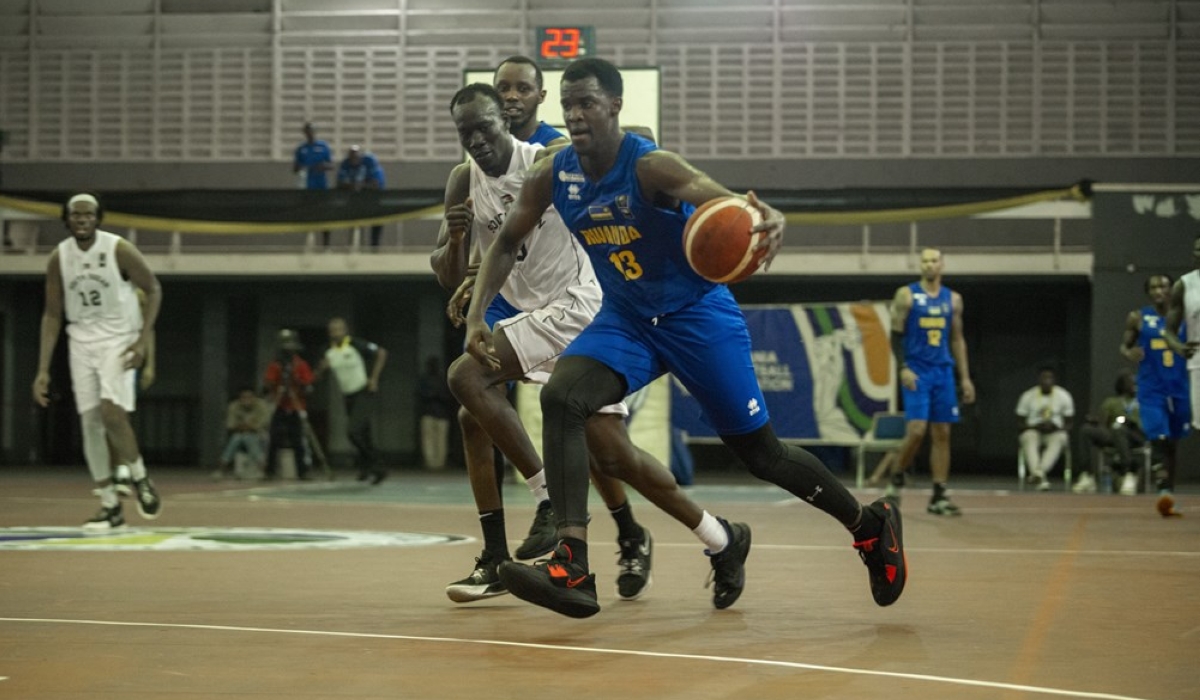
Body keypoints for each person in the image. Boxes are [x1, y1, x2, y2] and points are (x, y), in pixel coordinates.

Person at [463, 58, 906, 619]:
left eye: (587, 103)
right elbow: (505, 243)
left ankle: (868, 526)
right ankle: (572, 561)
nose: (575, 114)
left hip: (696, 315)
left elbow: (721, 201)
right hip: (627, 318)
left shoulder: (651, 166)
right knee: (563, 396)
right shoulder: (552, 174)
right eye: (569, 104)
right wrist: (477, 316)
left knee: (761, 454)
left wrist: (762, 214)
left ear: (615, 107)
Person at [435, 83, 745, 608]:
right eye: (466, 132)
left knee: (468, 380)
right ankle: (719, 537)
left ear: (508, 117)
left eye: (485, 126)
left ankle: (549, 503)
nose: (477, 139)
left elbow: (638, 137)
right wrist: (462, 249)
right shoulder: (463, 179)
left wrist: (618, 145)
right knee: (610, 452)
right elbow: (448, 270)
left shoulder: (548, 156)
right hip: (533, 312)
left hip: (579, 306)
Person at [32, 192, 163, 530]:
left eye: (88, 214)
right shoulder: (59, 257)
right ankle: (109, 506)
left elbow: (153, 289)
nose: (82, 219)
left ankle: (140, 476)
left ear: (98, 218)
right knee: (90, 421)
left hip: (118, 338)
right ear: (66, 219)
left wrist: (141, 340)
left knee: (111, 412)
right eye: (76, 214)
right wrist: (43, 369)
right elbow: (52, 314)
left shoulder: (118, 248)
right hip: (81, 339)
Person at [883, 248, 975, 515]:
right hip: (917, 370)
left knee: (942, 432)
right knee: (916, 430)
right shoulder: (907, 295)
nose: (929, 265)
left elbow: (957, 338)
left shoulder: (953, 299)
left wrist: (965, 378)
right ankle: (896, 476)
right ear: (920, 265)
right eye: (924, 261)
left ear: (942, 265)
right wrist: (902, 367)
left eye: (934, 261)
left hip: (942, 371)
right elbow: (895, 335)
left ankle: (939, 494)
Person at [1127, 274, 1188, 515]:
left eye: (1163, 286)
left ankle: (1168, 493)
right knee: (1158, 436)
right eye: (1153, 287)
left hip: (1180, 386)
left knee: (1172, 442)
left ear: (1173, 289)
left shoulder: (1187, 317)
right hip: (1151, 388)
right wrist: (1129, 352)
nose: (1158, 291)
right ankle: (1162, 487)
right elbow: (1125, 346)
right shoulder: (1138, 317)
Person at [315, 317, 389, 484]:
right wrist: (321, 369)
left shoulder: (356, 344)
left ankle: (378, 466)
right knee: (363, 433)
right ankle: (366, 468)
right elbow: (319, 372)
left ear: (345, 330)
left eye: (339, 329)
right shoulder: (328, 350)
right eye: (333, 330)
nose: (336, 333)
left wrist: (374, 379)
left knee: (353, 431)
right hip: (347, 395)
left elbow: (381, 353)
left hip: (363, 392)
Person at [1077, 371, 1144, 495]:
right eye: (1130, 381)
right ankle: (1087, 475)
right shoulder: (1111, 402)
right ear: (1121, 384)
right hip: (1115, 434)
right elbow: (1103, 423)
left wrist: (1127, 422)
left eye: (1136, 382)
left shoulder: (1142, 402)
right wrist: (1096, 421)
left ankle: (1128, 473)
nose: (1134, 384)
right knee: (1086, 430)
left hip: (1136, 435)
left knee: (1119, 428)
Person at [263, 329, 315, 480]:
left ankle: (302, 471)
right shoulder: (275, 365)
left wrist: (299, 383)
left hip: (296, 405)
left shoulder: (301, 365)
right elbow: (268, 383)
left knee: (297, 439)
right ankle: (269, 471)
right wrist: (276, 385)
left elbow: (309, 385)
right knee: (274, 438)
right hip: (280, 404)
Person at [1016, 365, 1075, 491]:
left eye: (1050, 378)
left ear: (1054, 380)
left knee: (1061, 438)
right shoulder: (1028, 395)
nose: (1047, 381)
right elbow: (1019, 423)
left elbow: (1069, 423)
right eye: (1044, 378)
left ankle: (1038, 473)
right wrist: (1034, 426)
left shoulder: (1064, 395)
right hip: (1034, 430)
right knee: (1028, 436)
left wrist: (1056, 427)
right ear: (1038, 379)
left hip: (1055, 432)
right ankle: (1039, 475)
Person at [211, 387, 270, 480]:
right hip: (240, 433)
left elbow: (264, 423)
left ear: (254, 398)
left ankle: (261, 469)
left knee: (249, 438)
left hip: (260, 434)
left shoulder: (261, 405)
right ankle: (221, 469)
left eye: (249, 397)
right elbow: (230, 424)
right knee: (236, 439)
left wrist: (251, 427)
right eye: (244, 397)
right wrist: (243, 427)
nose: (246, 400)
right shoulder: (234, 406)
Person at [336, 144, 386, 248]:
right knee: (354, 220)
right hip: (355, 200)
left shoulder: (369, 161)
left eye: (355, 155)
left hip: (372, 199)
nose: (354, 158)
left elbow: (376, 184)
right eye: (351, 156)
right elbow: (340, 182)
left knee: (378, 219)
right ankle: (353, 245)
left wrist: (361, 185)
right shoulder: (346, 164)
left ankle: (374, 246)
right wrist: (353, 186)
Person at [293, 122, 334, 246]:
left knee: (325, 215)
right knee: (309, 214)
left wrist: (323, 166)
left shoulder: (323, 146)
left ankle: (326, 245)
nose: (309, 133)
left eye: (311, 131)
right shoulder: (301, 149)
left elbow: (331, 165)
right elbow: (295, 168)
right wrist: (301, 168)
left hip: (321, 186)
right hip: (307, 187)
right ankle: (309, 242)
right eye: (307, 131)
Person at [417, 357, 454, 470]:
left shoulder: (424, 380)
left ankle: (432, 463)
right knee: (440, 440)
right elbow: (448, 396)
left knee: (430, 440)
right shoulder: (444, 380)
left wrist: (432, 395)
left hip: (429, 412)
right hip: (441, 413)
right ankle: (438, 463)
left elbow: (421, 395)